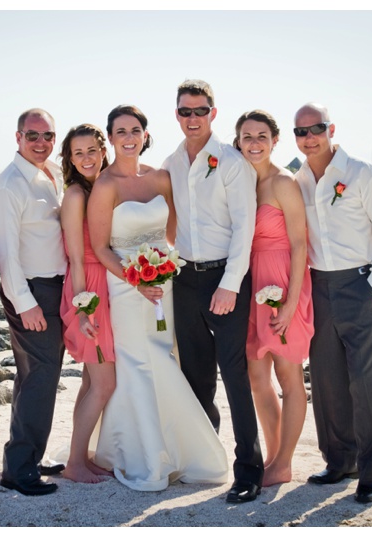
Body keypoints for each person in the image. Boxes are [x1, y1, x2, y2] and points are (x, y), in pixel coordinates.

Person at [88, 104, 228, 492]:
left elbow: (171, 236)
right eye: (120, 132)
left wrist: (163, 269)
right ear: (111, 138)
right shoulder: (105, 185)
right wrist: (134, 279)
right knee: (139, 364)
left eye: (135, 130)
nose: (129, 138)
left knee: (166, 356)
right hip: (126, 286)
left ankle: (175, 450)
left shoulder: (161, 178)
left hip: (163, 285)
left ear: (145, 135)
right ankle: (146, 457)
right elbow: (101, 248)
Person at [161, 80, 263, 503]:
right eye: (185, 111)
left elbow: (245, 228)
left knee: (235, 375)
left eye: (200, 110)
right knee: (195, 375)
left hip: (226, 280)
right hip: (184, 280)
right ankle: (206, 456)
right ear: (177, 115)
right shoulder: (170, 163)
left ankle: (249, 470)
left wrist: (229, 285)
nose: (193, 118)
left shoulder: (233, 162)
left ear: (213, 113)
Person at [293, 102, 372, 504]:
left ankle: (371, 474)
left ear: (331, 129)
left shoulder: (362, 174)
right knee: (326, 380)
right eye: (301, 132)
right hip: (318, 287)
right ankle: (340, 461)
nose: (309, 138)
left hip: (359, 285)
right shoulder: (298, 180)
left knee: (367, 383)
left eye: (315, 128)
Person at [0, 109, 67, 496]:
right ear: (17, 137)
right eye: (32, 135)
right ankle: (19, 469)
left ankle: (29, 456)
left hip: (56, 289)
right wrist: (25, 303)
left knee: (36, 376)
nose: (41, 142)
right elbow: (5, 252)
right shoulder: (7, 185)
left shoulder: (52, 173)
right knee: (41, 375)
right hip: (31, 292)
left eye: (47, 135)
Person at [235, 110, 314, 487]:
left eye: (261, 136)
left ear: (274, 140)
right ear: (237, 142)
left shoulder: (284, 182)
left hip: (283, 282)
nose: (254, 143)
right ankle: (272, 454)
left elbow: (300, 245)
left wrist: (290, 303)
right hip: (254, 284)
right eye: (247, 136)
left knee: (288, 375)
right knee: (256, 376)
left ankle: (284, 462)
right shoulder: (242, 183)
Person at [57, 124, 117, 484]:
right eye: (77, 153)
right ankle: (74, 463)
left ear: (103, 150)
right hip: (89, 289)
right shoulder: (77, 194)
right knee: (105, 383)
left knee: (90, 382)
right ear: (70, 159)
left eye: (91, 150)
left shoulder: (105, 186)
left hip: (109, 285)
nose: (86, 158)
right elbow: (76, 259)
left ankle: (81, 455)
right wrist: (83, 310)